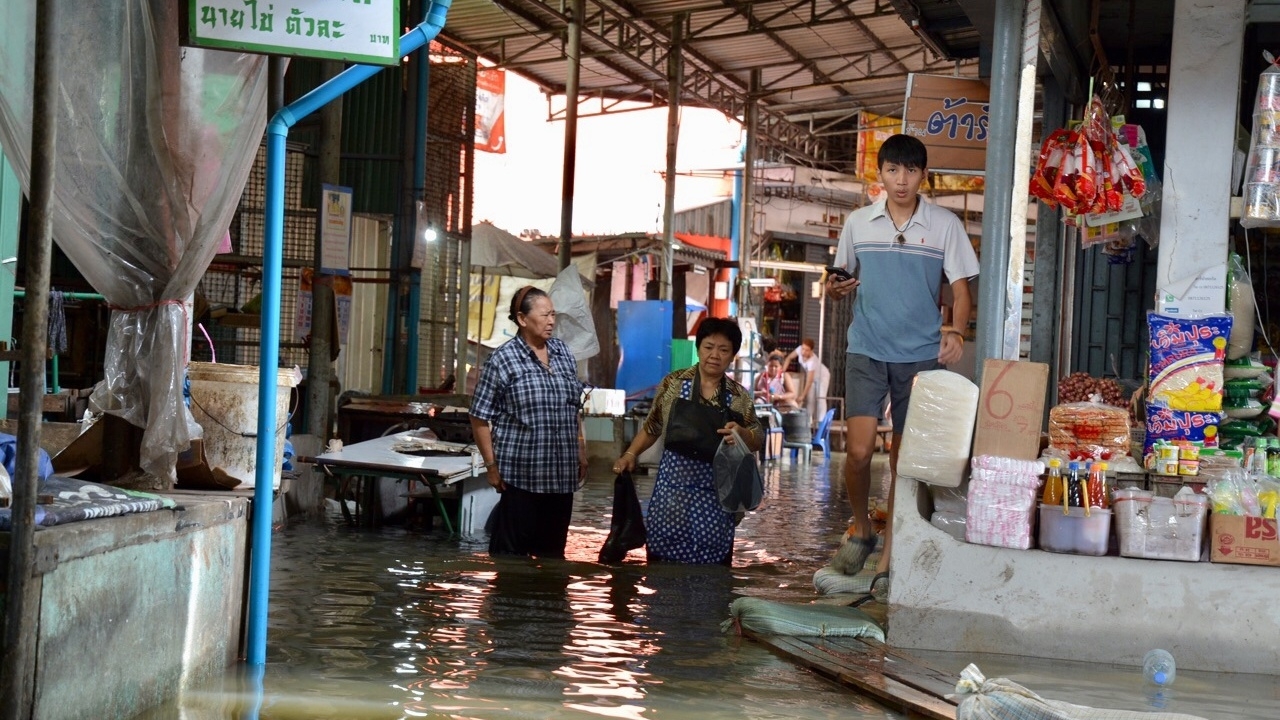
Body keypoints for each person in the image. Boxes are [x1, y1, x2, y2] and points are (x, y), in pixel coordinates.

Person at [825, 133, 979, 582]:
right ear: (880, 174)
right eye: (893, 170)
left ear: (923, 176)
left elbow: (961, 290)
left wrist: (957, 330)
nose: (901, 180)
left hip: (920, 358)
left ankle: (890, 556)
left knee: (902, 462)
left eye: (910, 171)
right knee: (857, 452)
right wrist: (833, 288)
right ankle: (861, 527)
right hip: (866, 349)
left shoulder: (945, 224)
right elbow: (836, 281)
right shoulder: (857, 223)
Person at [612, 318, 764, 564]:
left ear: (733, 356)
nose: (714, 355)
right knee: (662, 570)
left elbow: (757, 438)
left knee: (711, 575)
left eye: (723, 350)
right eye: (708, 347)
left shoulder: (739, 397)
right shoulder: (673, 383)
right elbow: (653, 426)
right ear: (698, 348)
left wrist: (743, 434)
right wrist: (630, 455)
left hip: (716, 497)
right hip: (671, 495)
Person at [470, 285, 588, 558]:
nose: (551, 321)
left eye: (553, 315)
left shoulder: (563, 354)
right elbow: (479, 417)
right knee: (511, 557)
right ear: (522, 319)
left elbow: (574, 408)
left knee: (553, 556)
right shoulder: (503, 360)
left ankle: (548, 599)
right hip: (520, 477)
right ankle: (511, 601)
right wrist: (491, 466)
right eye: (545, 315)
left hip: (561, 477)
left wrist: (581, 449)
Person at [782, 338, 831, 428]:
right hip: (812, 378)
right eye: (803, 349)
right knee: (810, 400)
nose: (804, 352)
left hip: (822, 376)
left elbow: (809, 380)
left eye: (807, 350)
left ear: (811, 351)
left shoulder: (812, 361)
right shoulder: (799, 349)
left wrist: (802, 395)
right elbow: (789, 358)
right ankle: (808, 422)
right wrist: (782, 372)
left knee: (820, 398)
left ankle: (821, 423)